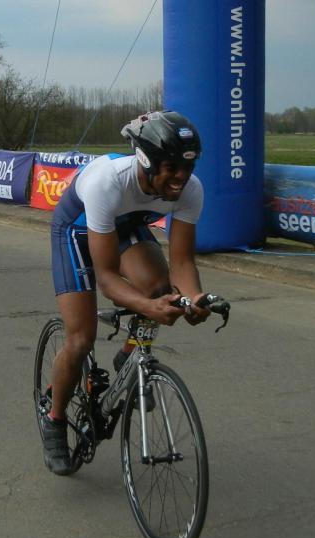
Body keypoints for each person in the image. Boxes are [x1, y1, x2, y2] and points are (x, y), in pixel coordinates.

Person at [41, 110, 211, 475]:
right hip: (76, 229)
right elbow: (107, 279)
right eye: (171, 167)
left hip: (124, 225)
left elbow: (182, 264)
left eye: (188, 167)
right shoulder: (108, 182)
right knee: (80, 339)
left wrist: (195, 298)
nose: (181, 177)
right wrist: (148, 307)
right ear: (146, 161)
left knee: (162, 289)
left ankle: (128, 355)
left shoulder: (191, 190)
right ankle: (54, 418)